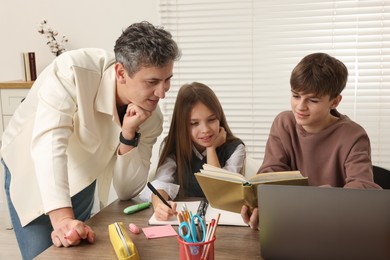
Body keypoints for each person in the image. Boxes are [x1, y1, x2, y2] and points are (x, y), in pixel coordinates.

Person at [1, 21, 180, 259]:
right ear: (120, 72)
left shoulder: (151, 116)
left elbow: (127, 189)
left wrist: (128, 137)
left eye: (167, 79)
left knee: (78, 251)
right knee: (43, 255)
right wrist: (63, 218)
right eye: (152, 82)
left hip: (85, 169)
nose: (162, 92)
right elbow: (49, 142)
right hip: (32, 166)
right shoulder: (72, 71)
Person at [241, 52, 382, 229]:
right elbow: (271, 172)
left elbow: (361, 188)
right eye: (296, 96)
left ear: (335, 102)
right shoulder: (283, 123)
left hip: (334, 225)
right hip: (289, 222)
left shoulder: (353, 135)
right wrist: (260, 204)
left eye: (312, 100)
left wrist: (305, 200)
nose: (300, 107)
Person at [139, 82, 246, 220]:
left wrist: (211, 148)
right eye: (194, 123)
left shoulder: (236, 148)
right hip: (187, 224)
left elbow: (218, 192)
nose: (205, 129)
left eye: (211, 120)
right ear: (182, 125)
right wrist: (160, 205)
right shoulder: (174, 147)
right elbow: (161, 183)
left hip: (223, 222)